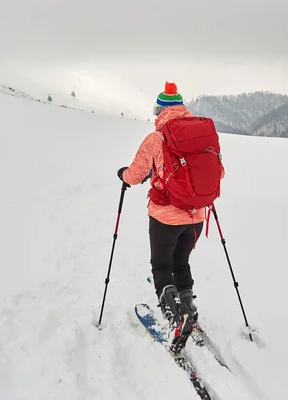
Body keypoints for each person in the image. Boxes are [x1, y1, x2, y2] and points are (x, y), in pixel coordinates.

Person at [117, 82, 224, 334]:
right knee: (181, 263)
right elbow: (218, 171)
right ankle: (189, 309)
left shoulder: (156, 138)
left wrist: (123, 174)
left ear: (161, 111)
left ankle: (175, 317)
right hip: (196, 215)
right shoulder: (202, 138)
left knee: (162, 267)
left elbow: (134, 175)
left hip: (165, 217)